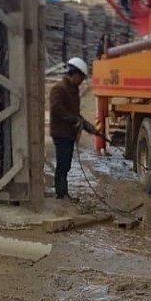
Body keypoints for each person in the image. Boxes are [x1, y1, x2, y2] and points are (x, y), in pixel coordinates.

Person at [49, 57, 92, 199]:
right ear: (74, 74)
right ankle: (61, 193)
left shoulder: (73, 91)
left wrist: (88, 126)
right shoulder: (59, 89)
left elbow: (75, 113)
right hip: (61, 133)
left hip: (68, 133)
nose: (81, 81)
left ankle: (63, 192)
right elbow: (57, 109)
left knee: (66, 163)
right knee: (63, 164)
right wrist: (74, 120)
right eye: (81, 77)